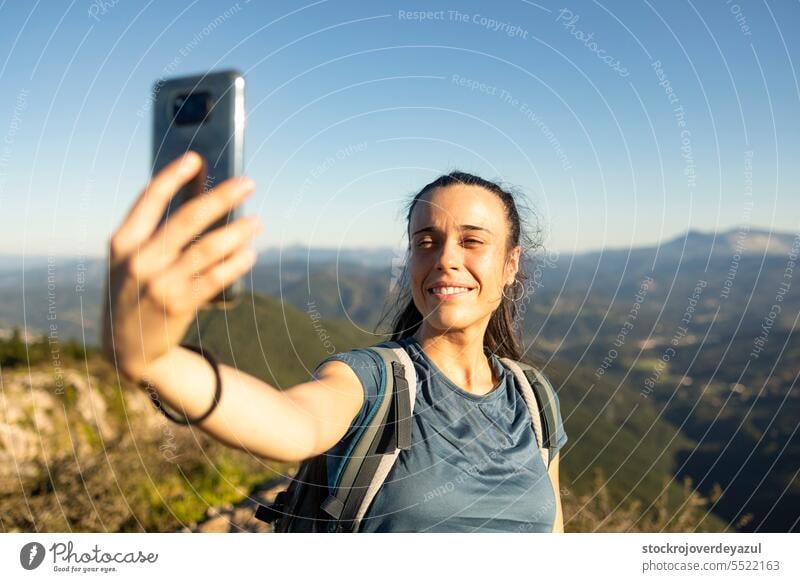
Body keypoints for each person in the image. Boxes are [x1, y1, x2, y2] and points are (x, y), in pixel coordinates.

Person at [101, 151, 568, 532]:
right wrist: (157, 360)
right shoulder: (372, 381)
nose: (445, 258)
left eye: (472, 241)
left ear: (510, 265)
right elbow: (292, 426)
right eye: (426, 241)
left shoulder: (533, 398)